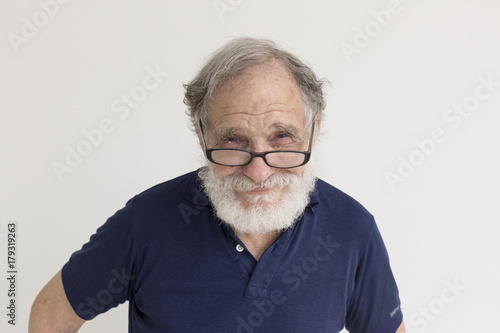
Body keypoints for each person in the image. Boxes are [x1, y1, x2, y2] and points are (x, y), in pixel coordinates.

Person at [29, 37, 406, 333]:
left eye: (281, 138)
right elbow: (50, 318)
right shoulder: (144, 223)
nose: (259, 172)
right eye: (235, 141)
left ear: (314, 131)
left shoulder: (353, 229)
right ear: (201, 135)